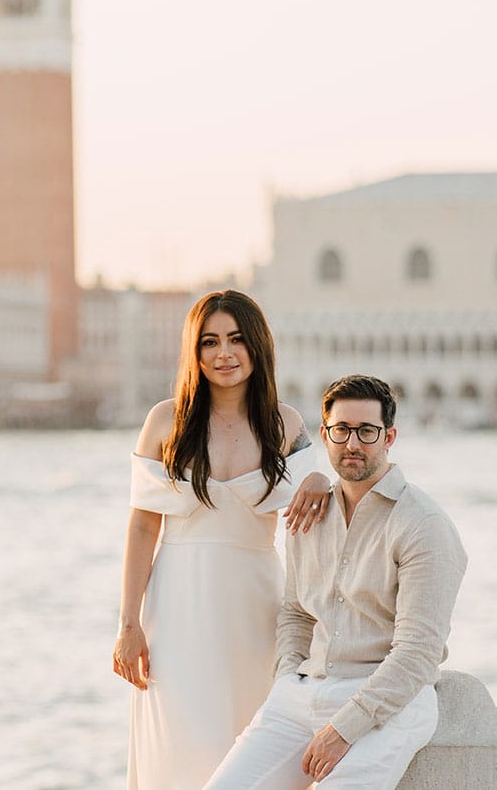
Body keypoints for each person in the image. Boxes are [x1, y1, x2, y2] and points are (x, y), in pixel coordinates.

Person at [113, 289, 333, 789]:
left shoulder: (285, 424)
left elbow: (321, 508)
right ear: (195, 352)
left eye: (236, 339)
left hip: (257, 607)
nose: (224, 353)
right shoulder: (166, 420)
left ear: (257, 345)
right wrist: (128, 624)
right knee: (180, 743)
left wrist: (321, 478)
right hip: (177, 605)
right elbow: (143, 526)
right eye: (209, 342)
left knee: (255, 737)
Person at [204, 374, 468, 790]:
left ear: (389, 437)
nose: (353, 443)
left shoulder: (423, 524)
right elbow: (296, 613)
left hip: (389, 702)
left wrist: (344, 728)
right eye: (341, 430)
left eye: (367, 431)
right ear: (325, 435)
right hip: (302, 693)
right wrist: (287, 679)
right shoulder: (310, 514)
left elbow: (418, 653)